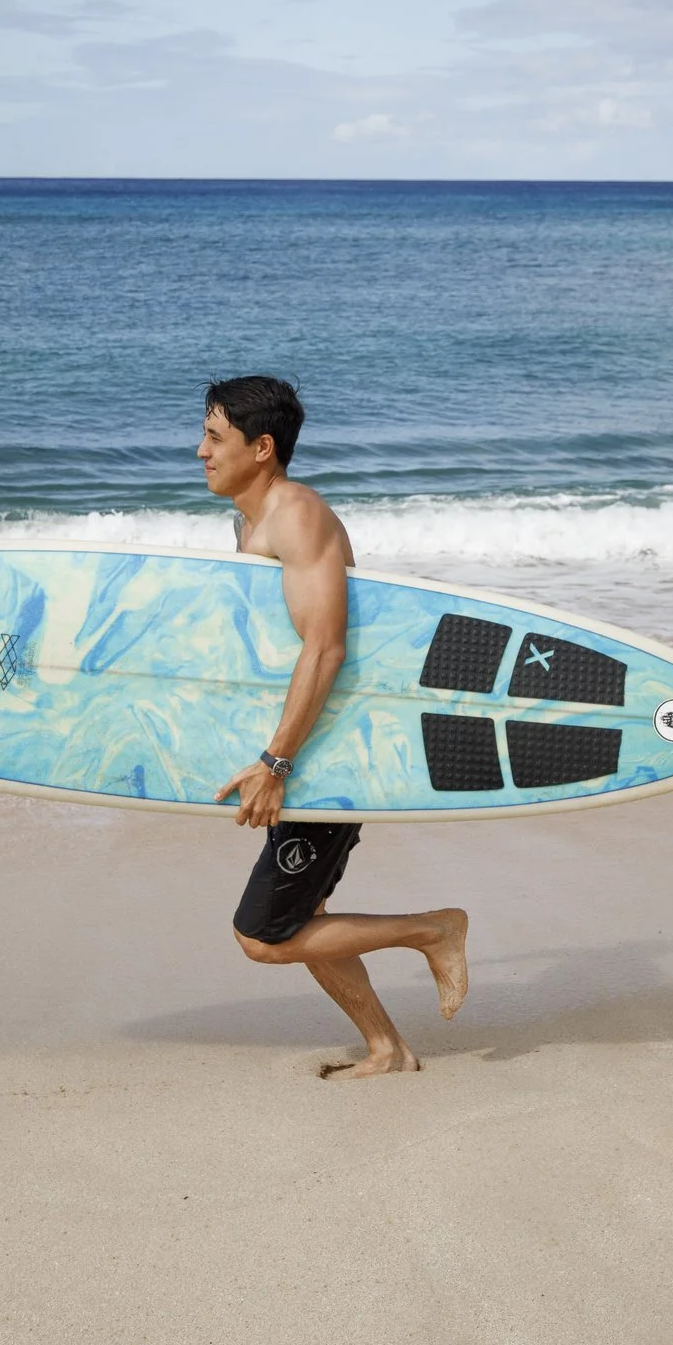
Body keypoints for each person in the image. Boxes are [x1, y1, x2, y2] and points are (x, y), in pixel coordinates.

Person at [200, 376, 470, 1078]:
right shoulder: (248, 523)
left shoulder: (298, 517)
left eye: (214, 436)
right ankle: (387, 1048)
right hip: (302, 747)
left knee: (261, 934)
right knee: (309, 914)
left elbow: (327, 647)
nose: (200, 450)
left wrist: (276, 761)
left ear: (261, 448)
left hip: (326, 752)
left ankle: (435, 930)